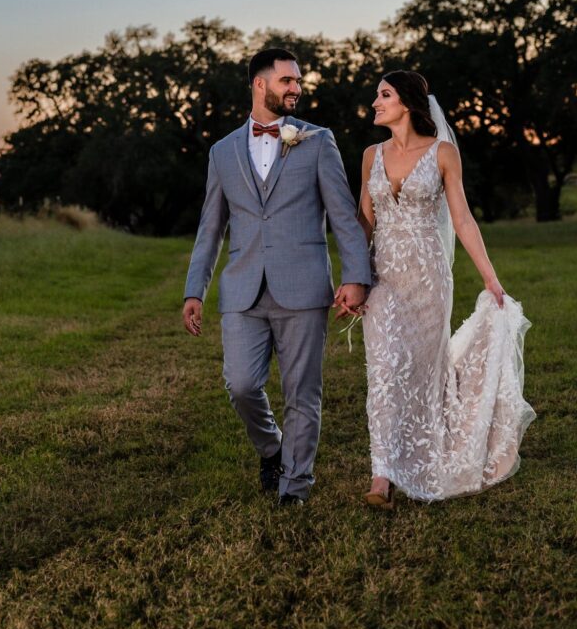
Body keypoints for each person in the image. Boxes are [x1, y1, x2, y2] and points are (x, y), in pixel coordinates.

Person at [182, 48, 371, 506]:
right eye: (287, 80)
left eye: (298, 81)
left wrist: (356, 276)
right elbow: (211, 226)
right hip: (242, 290)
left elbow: (344, 216)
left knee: (302, 392)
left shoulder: (318, 140)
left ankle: (295, 486)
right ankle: (272, 448)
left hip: (304, 286)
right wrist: (195, 289)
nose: (296, 88)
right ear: (259, 84)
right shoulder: (222, 151)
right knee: (242, 385)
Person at [354, 70, 536, 507]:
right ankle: (381, 474)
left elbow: (462, 219)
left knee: (421, 370)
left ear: (409, 103)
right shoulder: (369, 155)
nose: (375, 102)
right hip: (383, 280)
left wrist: (490, 278)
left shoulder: (442, 153)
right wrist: (354, 280)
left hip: (428, 279)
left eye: (384, 94)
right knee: (382, 370)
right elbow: (363, 224)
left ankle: (428, 451)